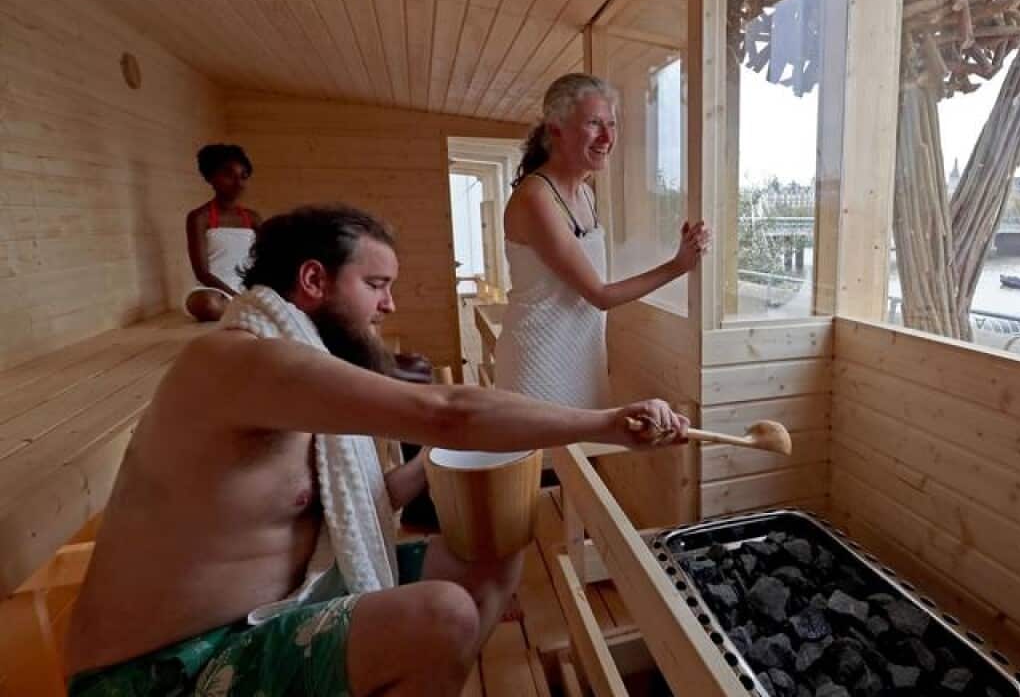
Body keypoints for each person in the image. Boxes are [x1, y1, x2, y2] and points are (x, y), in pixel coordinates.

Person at [65, 204, 688, 697]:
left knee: (493, 551)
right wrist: (602, 422)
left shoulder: (297, 362)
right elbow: (446, 412)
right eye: (376, 284)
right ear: (314, 280)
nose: (388, 305)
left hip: (274, 614)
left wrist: (429, 467)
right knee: (442, 613)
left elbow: (348, 506)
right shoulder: (237, 359)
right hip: (171, 667)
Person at [494, 73, 710, 409]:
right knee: (548, 461)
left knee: (584, 454)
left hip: (581, 355)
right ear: (556, 129)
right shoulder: (536, 198)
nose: (608, 136)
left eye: (612, 123)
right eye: (594, 124)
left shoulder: (585, 194)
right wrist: (678, 265)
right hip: (537, 358)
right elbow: (599, 295)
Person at [186, 144, 262, 322]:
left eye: (243, 176)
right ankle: (249, 312)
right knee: (206, 305)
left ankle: (245, 310)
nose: (238, 183)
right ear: (210, 178)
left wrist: (253, 291)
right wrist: (236, 297)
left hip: (248, 286)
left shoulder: (253, 218)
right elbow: (202, 273)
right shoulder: (199, 217)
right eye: (229, 175)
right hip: (215, 290)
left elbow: (265, 260)